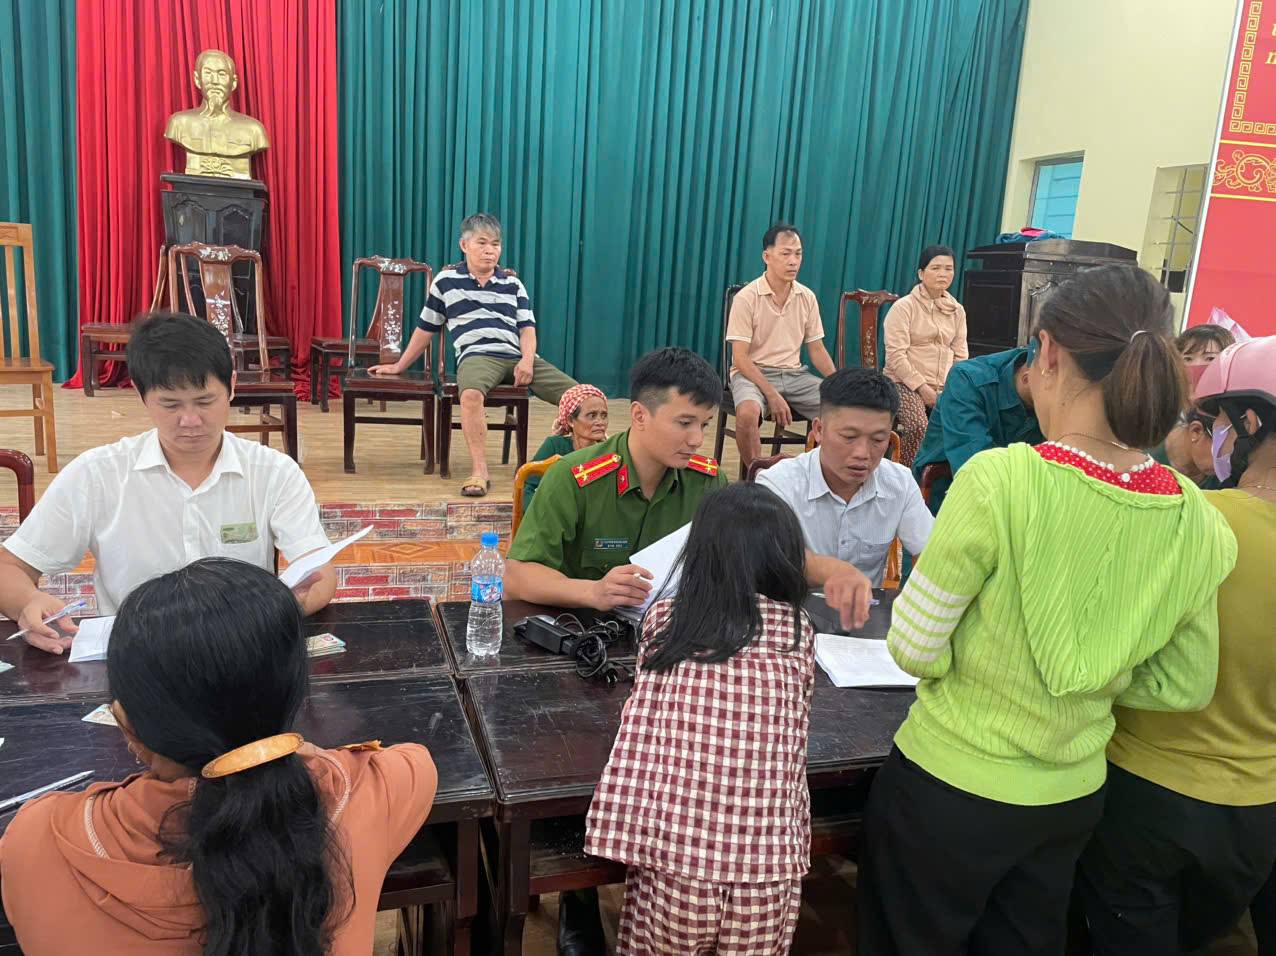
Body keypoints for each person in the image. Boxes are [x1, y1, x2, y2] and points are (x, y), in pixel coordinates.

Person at [858, 265, 1237, 956]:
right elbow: (1185, 685)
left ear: (1049, 352)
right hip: (1072, 797)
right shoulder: (1199, 519)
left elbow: (913, 645)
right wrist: (1105, 673)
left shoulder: (1000, 480)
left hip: (949, 784)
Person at [0, 558, 438, 955]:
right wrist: (288, 750)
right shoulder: (359, 794)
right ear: (295, 697)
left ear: (126, 724)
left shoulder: (37, 839)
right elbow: (417, 762)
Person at [1078, 336, 1276, 955]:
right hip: (1258, 813)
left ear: (1248, 423)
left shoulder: (1195, 518)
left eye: (1217, 422)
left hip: (1146, 795)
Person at [0, 313, 336, 654]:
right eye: (170, 404)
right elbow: (8, 567)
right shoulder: (97, 474)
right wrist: (27, 601)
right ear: (140, 393)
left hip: (241, 650)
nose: (190, 420)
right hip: (136, 658)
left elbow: (320, 573)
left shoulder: (274, 472)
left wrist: (283, 607)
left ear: (232, 386)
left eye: (205, 401)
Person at [585, 482, 814, 955]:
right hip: (768, 861)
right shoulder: (797, 630)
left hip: (677, 855)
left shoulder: (665, 621)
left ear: (700, 555)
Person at [369, 213, 577, 497]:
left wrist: (528, 360)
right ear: (464, 245)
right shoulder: (446, 282)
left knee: (583, 397)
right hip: (477, 356)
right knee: (469, 395)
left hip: (518, 357)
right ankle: (480, 471)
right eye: (482, 243)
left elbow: (527, 329)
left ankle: (585, 466)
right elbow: (426, 329)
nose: (490, 250)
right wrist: (399, 365)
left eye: (495, 244)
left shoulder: (513, 284)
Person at [757, 368, 931, 592]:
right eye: (849, 437)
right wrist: (829, 571)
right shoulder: (779, 485)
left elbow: (931, 554)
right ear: (819, 430)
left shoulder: (900, 483)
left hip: (866, 612)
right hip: (792, 609)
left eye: (878, 440)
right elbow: (765, 558)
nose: (862, 453)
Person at [726, 222, 836, 467]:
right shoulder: (747, 298)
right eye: (785, 254)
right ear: (767, 256)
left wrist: (841, 384)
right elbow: (740, 358)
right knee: (747, 414)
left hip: (795, 375)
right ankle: (757, 476)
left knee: (841, 409)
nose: (793, 261)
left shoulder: (807, 297)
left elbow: (817, 350)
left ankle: (819, 473)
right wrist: (771, 394)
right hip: (753, 373)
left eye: (798, 254)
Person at [911, 346, 1042, 513]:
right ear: (1026, 379)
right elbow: (976, 472)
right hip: (944, 503)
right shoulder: (968, 380)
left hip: (1020, 506)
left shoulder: (1052, 383)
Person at [884, 245, 969, 466]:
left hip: (943, 385)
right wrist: (922, 387)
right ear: (921, 273)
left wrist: (953, 386)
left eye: (948, 269)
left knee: (965, 424)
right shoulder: (904, 307)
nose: (943, 274)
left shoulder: (957, 310)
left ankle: (937, 476)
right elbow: (896, 356)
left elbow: (961, 355)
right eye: (936, 268)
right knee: (918, 426)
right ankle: (906, 472)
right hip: (903, 383)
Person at [521, 384, 609, 511]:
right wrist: (543, 513)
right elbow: (527, 487)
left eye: (604, 415)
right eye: (592, 415)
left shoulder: (609, 453)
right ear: (571, 421)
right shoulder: (555, 446)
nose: (600, 422)